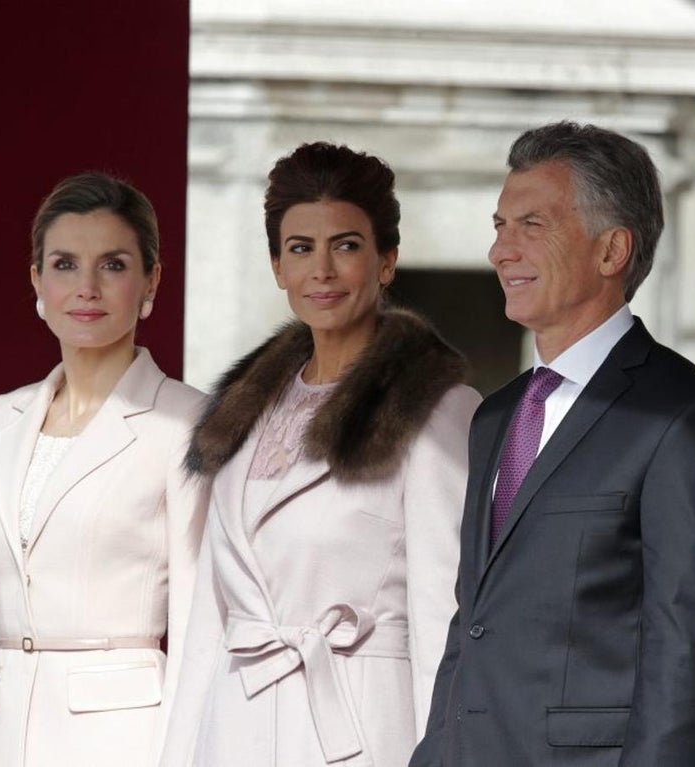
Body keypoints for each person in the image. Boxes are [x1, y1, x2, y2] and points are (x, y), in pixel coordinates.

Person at [411, 121, 695, 767]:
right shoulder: (496, 415)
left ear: (612, 250)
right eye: (499, 226)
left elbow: (686, 653)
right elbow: (473, 623)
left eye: (532, 225)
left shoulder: (682, 415)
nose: (501, 250)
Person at [160, 142, 480, 767]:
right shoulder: (241, 414)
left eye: (347, 245)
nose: (323, 271)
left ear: (387, 261)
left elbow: (442, 618)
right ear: (278, 267)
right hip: (236, 733)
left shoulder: (433, 409)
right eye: (301, 248)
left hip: (359, 733)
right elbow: (207, 628)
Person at [0, 173, 209, 766]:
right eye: (65, 264)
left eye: (114, 265)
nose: (87, 288)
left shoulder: (187, 421)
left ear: (151, 281)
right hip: (2, 733)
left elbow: (199, 625)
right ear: (37, 281)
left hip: (123, 739)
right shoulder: (4, 417)